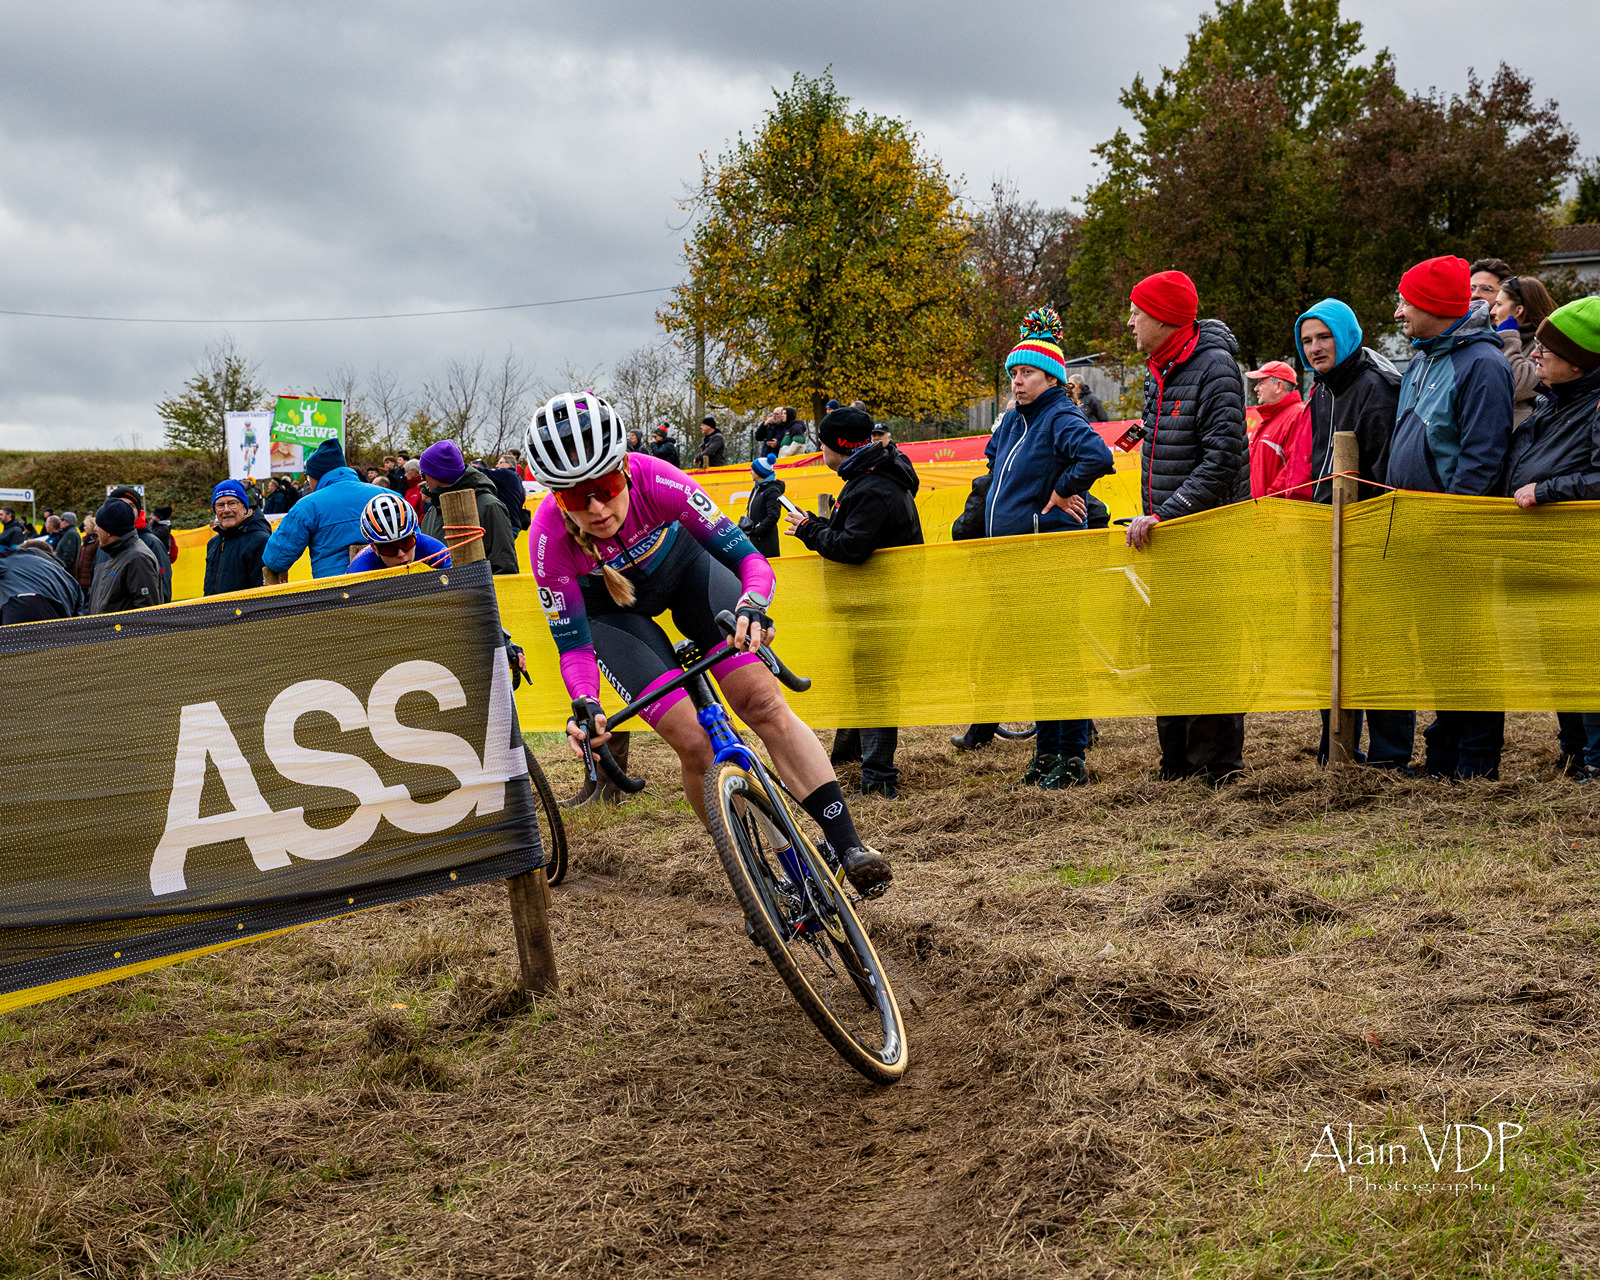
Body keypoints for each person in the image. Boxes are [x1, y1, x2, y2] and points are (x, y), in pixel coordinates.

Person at [526, 391, 892, 893]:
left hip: (687, 576)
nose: (596, 508)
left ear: (625, 469)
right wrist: (585, 702)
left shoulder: (659, 479)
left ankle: (848, 844)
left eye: (606, 487)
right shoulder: (548, 540)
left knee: (762, 702)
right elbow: (574, 647)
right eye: (574, 498)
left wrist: (752, 605)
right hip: (612, 614)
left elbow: (750, 562)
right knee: (695, 743)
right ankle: (758, 875)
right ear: (555, 498)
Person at [953, 308, 1116, 784]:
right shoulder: (1013, 421)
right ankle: (1046, 754)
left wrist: (1063, 490)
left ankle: (1072, 757)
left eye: (1027, 373)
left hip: (1048, 556)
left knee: (1058, 658)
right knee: (1039, 660)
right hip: (1013, 559)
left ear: (1051, 378)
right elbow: (997, 470)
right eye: (1014, 373)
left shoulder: (1060, 415)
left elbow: (1097, 455)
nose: (1018, 381)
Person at [1388, 255, 1514, 780]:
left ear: (1435, 306)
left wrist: (1449, 525)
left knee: (1471, 649)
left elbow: (1482, 458)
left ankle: (1475, 764)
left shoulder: (1482, 365)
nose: (1398, 313)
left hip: (1455, 535)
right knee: (1440, 649)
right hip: (1418, 529)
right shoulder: (1422, 360)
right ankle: (1443, 758)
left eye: (1406, 303)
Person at [1124, 269, 1250, 784]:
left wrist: (1166, 512)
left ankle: (1216, 765)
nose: (1130, 322)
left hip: (1208, 539)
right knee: (1169, 648)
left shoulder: (1216, 369)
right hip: (1168, 539)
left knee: (1209, 650)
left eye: (1137, 312)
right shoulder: (1159, 370)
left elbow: (1222, 458)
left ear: (1164, 318)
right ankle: (1175, 761)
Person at [784, 406, 924, 799]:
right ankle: (849, 759)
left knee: (875, 686)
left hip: (884, 604)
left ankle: (879, 778)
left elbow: (852, 547)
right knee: (861, 681)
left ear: (839, 446)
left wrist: (809, 531)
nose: (820, 451)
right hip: (874, 600)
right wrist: (816, 524)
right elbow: (855, 533)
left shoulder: (872, 487)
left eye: (823, 444)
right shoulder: (868, 476)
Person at [1295, 297, 1409, 770]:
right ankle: (1337, 748)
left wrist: (1365, 533)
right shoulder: (1322, 389)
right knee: (1333, 649)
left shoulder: (1375, 388)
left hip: (1370, 537)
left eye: (1324, 337)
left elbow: (1382, 473)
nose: (1315, 348)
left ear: (1346, 336)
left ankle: (1389, 759)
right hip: (1328, 532)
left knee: (1380, 650)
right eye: (1307, 341)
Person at [1501, 297, 1600, 777]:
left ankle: (1596, 760)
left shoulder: (1595, 407)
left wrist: (1548, 490)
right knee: (1558, 657)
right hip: (1545, 556)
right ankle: (1574, 752)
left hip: (1581, 559)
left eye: (1546, 349)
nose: (1534, 355)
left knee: (1585, 659)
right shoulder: (1550, 400)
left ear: (1578, 363)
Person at [262, 438, 387, 579]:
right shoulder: (388, 496)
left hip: (333, 587)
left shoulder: (307, 506)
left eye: (308, 477)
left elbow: (275, 559)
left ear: (316, 476)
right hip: (390, 585)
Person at [416, 440, 519, 575]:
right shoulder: (432, 511)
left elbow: (504, 567)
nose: (422, 480)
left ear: (437, 475)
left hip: (477, 588)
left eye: (423, 474)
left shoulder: (489, 507)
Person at [1489, 274, 1555, 428]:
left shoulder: (1548, 346)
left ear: (1518, 310)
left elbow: (1516, 385)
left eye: (1498, 304)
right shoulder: (1495, 339)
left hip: (1523, 436)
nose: (1492, 311)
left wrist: (1508, 338)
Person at [1245, 360, 1312, 501]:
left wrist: (1269, 500)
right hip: (1259, 508)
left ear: (1278, 386)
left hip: (1273, 509)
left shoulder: (1298, 415)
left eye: (1261, 383)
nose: (1256, 389)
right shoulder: (1268, 419)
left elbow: (1296, 467)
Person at [95, 487, 172, 603]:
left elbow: (161, 593)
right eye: (120, 504)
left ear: (139, 510)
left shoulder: (152, 543)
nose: (125, 509)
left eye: (131, 506)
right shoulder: (103, 546)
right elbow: (95, 588)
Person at [87, 497, 161, 614]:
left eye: (98, 525)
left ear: (109, 530)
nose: (95, 529)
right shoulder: (115, 552)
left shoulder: (138, 559)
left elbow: (148, 613)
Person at [348, 491, 451, 574]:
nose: (401, 554)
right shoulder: (360, 567)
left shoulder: (431, 548)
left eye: (407, 543)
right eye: (389, 548)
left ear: (414, 536)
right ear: (375, 549)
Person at [203, 480, 273, 595]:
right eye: (220, 505)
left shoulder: (260, 541)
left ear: (244, 507)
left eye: (232, 503)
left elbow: (265, 594)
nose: (226, 510)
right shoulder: (213, 543)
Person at [0, 542, 83, 623]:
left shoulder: (14, 559)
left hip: (19, 612)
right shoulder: (68, 578)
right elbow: (79, 619)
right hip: (59, 622)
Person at [740, 456, 786, 559]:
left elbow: (773, 516)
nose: (750, 472)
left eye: (753, 470)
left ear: (759, 473)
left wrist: (756, 532)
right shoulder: (757, 488)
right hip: (754, 541)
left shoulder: (772, 491)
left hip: (765, 544)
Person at [53, 512, 81, 579]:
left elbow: (68, 557)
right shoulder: (68, 532)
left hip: (65, 574)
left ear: (69, 521)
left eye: (62, 520)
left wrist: (61, 570)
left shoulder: (71, 534)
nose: (60, 521)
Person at [74, 516, 98, 589]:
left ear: (91, 527)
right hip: (81, 579)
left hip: (88, 581)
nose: (84, 528)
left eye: (86, 526)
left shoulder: (96, 542)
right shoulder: (86, 540)